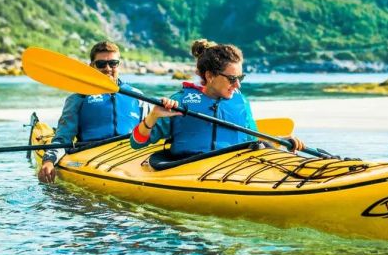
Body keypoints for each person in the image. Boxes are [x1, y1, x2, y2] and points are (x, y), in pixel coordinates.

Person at [130, 39, 304, 157]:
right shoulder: (180, 102)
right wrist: (153, 116)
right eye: (232, 79)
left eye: (240, 78)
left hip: (232, 169)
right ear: (210, 75)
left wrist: (282, 141)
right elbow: (136, 143)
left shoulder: (240, 102)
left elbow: (254, 141)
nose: (238, 86)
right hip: (188, 169)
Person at [39, 41, 144, 182]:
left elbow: (151, 132)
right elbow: (63, 139)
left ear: (119, 65)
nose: (108, 68)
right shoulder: (78, 98)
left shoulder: (137, 96)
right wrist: (49, 160)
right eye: (101, 64)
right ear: (91, 66)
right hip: (92, 156)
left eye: (113, 63)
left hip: (131, 157)